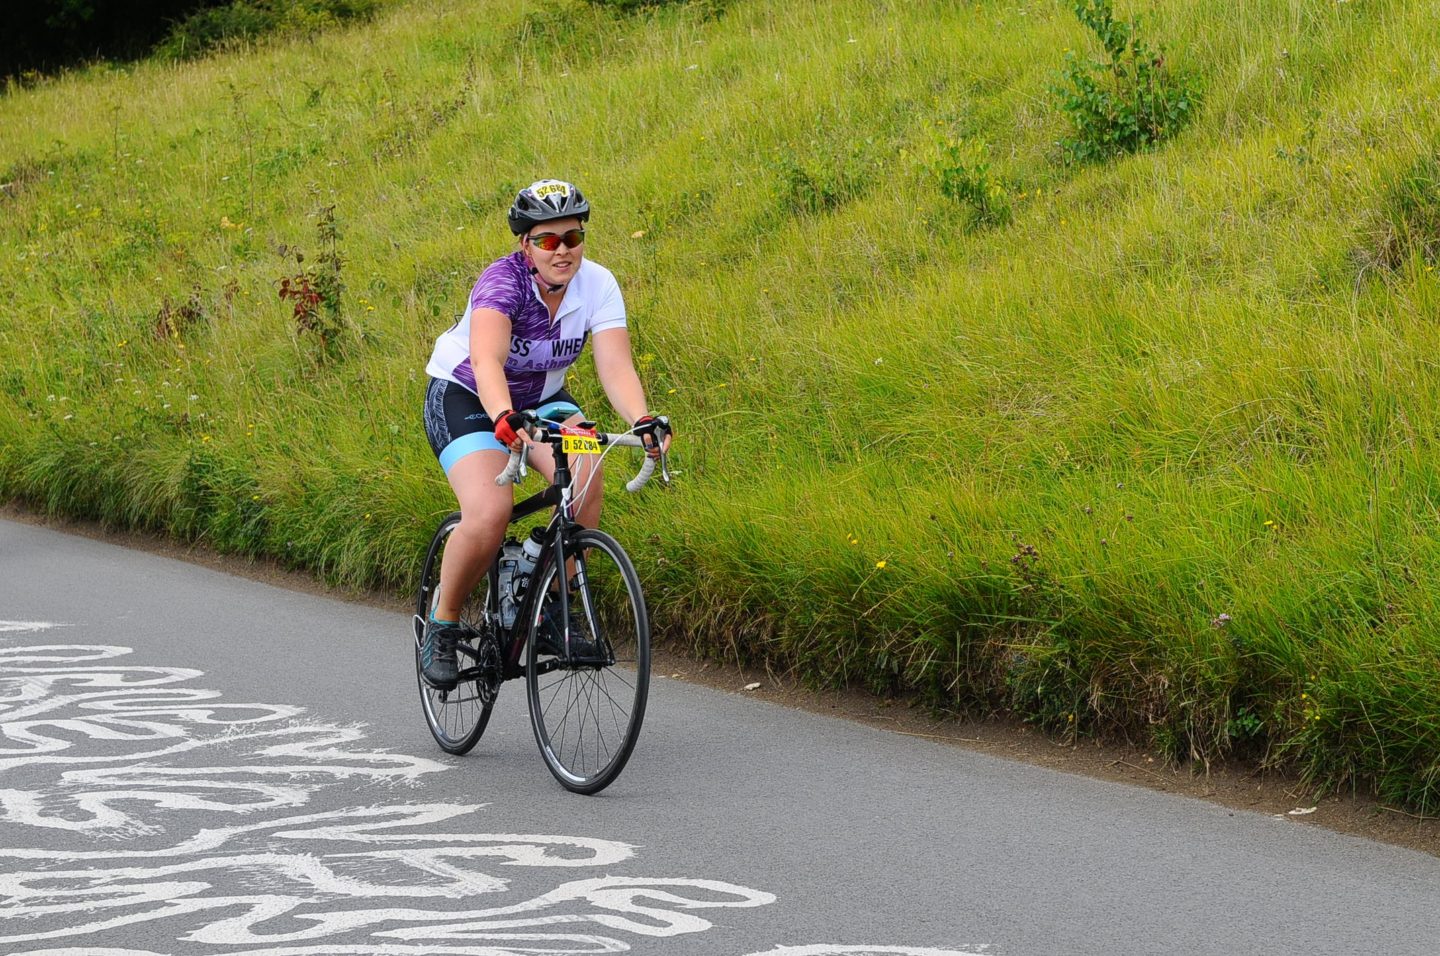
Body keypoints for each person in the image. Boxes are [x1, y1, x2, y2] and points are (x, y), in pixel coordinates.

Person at [419, 179, 671, 690]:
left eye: (572, 238)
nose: (563, 251)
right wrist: (503, 418)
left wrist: (642, 419)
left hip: (544, 398)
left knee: (585, 476)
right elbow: (487, 360)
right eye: (548, 240)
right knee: (489, 513)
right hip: (469, 395)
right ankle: (442, 624)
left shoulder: (598, 285)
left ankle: (553, 601)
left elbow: (615, 366)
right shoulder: (502, 283)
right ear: (525, 244)